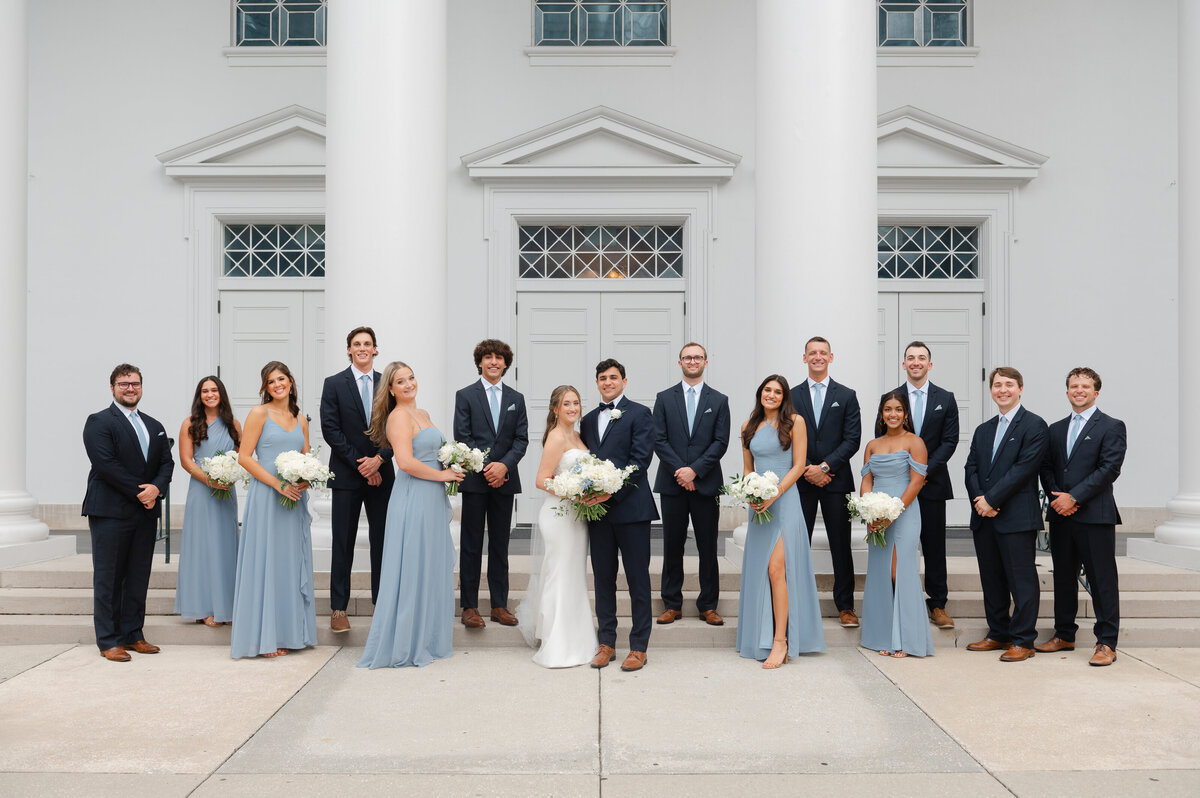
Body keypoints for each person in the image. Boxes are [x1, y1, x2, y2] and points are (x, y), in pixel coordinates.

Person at [358, 362, 463, 668]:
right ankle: (406, 641)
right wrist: (443, 476)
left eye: (411, 378)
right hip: (414, 496)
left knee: (430, 563)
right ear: (390, 389)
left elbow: (433, 453)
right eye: (400, 381)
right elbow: (404, 462)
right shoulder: (398, 417)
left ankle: (429, 636)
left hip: (431, 496)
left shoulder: (424, 414)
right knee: (412, 565)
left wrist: (453, 466)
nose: (408, 384)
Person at [82, 364, 174, 662]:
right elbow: (106, 465)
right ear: (112, 388)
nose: (130, 388)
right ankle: (108, 640)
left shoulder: (153, 424)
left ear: (141, 387)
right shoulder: (99, 421)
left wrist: (156, 489)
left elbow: (166, 464)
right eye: (123, 384)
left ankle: (133, 634)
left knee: (137, 575)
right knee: (109, 577)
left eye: (134, 383)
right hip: (110, 511)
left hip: (145, 513)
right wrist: (141, 492)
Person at [1036, 367, 1127, 666]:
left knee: (1102, 580)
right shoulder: (1055, 429)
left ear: (1096, 392)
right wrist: (1057, 498)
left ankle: (1106, 642)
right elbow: (1047, 467)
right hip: (1062, 516)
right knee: (1063, 577)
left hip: (1095, 515)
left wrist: (1074, 497)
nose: (1079, 390)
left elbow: (1109, 468)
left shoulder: (1112, 426)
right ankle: (1064, 634)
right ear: (1067, 392)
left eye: (1085, 386)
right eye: (1074, 386)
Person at [736, 375, 825, 669]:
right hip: (759, 506)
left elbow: (799, 465)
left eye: (777, 391)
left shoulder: (794, 422)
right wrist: (751, 493)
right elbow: (748, 468)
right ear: (760, 393)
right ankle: (758, 635)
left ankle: (780, 641)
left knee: (777, 570)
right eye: (767, 390)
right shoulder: (748, 427)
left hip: (784, 501)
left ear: (784, 396)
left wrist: (774, 493)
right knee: (762, 570)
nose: (771, 395)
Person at [231, 361, 318, 659]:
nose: (277, 385)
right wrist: (277, 485)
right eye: (271, 381)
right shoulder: (259, 413)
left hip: (294, 499)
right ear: (265, 388)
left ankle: (290, 634)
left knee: (289, 563)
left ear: (291, 382)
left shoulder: (300, 419)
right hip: (267, 496)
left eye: (281, 379)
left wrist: (306, 475)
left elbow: (306, 455)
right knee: (267, 561)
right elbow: (245, 457)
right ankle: (264, 637)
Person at [963, 367, 1048, 662]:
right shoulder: (984, 429)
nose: (1003, 390)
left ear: (1020, 389)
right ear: (991, 391)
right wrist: (980, 501)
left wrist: (992, 499)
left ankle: (1023, 640)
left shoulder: (1035, 425)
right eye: (997, 385)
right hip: (984, 516)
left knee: (1021, 579)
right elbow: (970, 467)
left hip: (1016, 517)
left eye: (1009, 385)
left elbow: (1023, 469)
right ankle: (998, 633)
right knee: (992, 579)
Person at [580, 359, 658, 672]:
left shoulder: (640, 413)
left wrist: (612, 492)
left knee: (638, 579)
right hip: (598, 514)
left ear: (624, 381)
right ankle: (607, 643)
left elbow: (640, 461)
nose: (608, 382)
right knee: (602, 579)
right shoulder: (587, 420)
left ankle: (639, 646)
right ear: (597, 383)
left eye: (613, 377)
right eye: (602, 378)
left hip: (632, 510)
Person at [515, 385, 599, 667]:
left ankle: (579, 640)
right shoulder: (555, 436)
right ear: (555, 409)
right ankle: (558, 644)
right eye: (566, 404)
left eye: (576, 403)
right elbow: (541, 479)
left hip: (578, 517)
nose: (573, 408)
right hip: (559, 515)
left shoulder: (577, 435)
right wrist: (575, 492)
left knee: (573, 575)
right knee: (559, 575)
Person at [320, 326, 395, 633]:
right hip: (347, 475)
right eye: (356, 344)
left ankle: (382, 603)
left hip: (382, 473)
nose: (362, 348)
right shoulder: (334, 383)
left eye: (367, 344)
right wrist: (360, 464)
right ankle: (339, 608)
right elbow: (330, 428)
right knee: (343, 541)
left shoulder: (388, 384)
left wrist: (379, 459)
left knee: (383, 541)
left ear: (375, 349)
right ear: (349, 350)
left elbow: (396, 425)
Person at [652, 342, 731, 626]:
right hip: (673, 484)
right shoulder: (664, 398)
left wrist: (694, 471)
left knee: (708, 546)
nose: (693, 361)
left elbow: (720, 442)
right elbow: (658, 439)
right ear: (680, 362)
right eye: (688, 357)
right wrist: (680, 471)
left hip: (706, 484)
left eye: (698, 357)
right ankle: (672, 603)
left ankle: (708, 605)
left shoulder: (719, 400)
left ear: (705, 362)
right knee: (672, 545)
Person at [453, 339, 529, 629]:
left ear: (506, 363)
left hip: (505, 481)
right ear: (480, 362)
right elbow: (463, 436)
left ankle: (499, 604)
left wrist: (504, 466)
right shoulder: (465, 395)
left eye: (499, 358)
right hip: (475, 480)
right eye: (488, 357)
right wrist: (486, 468)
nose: (494, 362)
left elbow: (521, 439)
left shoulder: (516, 398)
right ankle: (470, 606)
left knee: (500, 544)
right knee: (471, 545)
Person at [794, 336, 862, 628]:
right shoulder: (792, 395)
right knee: (798, 543)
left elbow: (853, 439)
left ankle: (845, 606)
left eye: (823, 353)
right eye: (813, 353)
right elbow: (786, 435)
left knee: (840, 545)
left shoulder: (846, 395)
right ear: (805, 357)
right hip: (801, 480)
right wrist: (808, 469)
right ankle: (795, 601)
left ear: (831, 357)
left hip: (836, 480)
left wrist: (824, 466)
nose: (818, 357)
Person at [859, 390, 933, 658]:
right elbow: (866, 480)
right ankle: (882, 636)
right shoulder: (872, 445)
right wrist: (869, 511)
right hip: (877, 517)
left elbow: (916, 482)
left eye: (898, 409)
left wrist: (893, 512)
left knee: (898, 571)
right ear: (881, 413)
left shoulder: (915, 442)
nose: (893, 414)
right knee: (879, 572)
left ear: (905, 414)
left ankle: (906, 639)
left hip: (905, 512)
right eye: (888, 409)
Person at [893, 341, 960, 630]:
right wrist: (905, 473)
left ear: (929, 365)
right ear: (904, 364)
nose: (916, 362)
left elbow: (950, 441)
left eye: (921, 358)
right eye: (911, 358)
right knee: (900, 545)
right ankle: (900, 599)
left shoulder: (946, 398)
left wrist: (922, 471)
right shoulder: (891, 398)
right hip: (898, 484)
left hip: (932, 484)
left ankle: (938, 604)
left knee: (934, 546)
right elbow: (882, 436)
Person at [175, 375, 242, 627]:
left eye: (214, 390)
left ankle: (228, 606)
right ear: (199, 396)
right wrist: (210, 480)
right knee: (202, 547)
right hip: (202, 491)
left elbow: (241, 456)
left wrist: (230, 476)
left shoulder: (234, 424)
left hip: (226, 492)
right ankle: (204, 608)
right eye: (205, 391)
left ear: (221, 393)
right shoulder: (190, 424)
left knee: (224, 547)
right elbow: (186, 460)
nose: (210, 394)